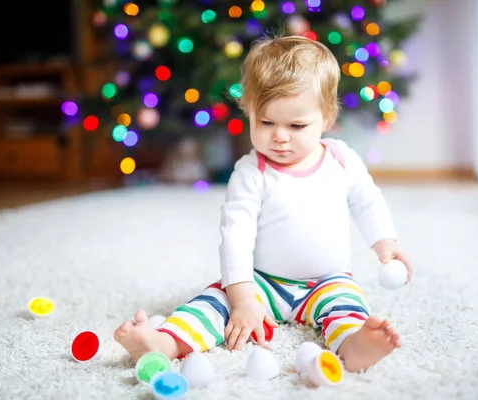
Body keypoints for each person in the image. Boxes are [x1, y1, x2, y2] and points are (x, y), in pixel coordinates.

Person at [114, 35, 413, 373]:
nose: (279, 136)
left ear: (327, 118)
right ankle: (164, 343)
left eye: (296, 125)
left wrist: (386, 245)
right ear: (250, 112)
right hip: (262, 282)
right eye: (266, 122)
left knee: (348, 306)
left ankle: (356, 345)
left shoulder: (342, 160)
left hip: (328, 279)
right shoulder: (250, 173)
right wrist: (243, 300)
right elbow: (236, 239)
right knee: (214, 302)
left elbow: (368, 202)